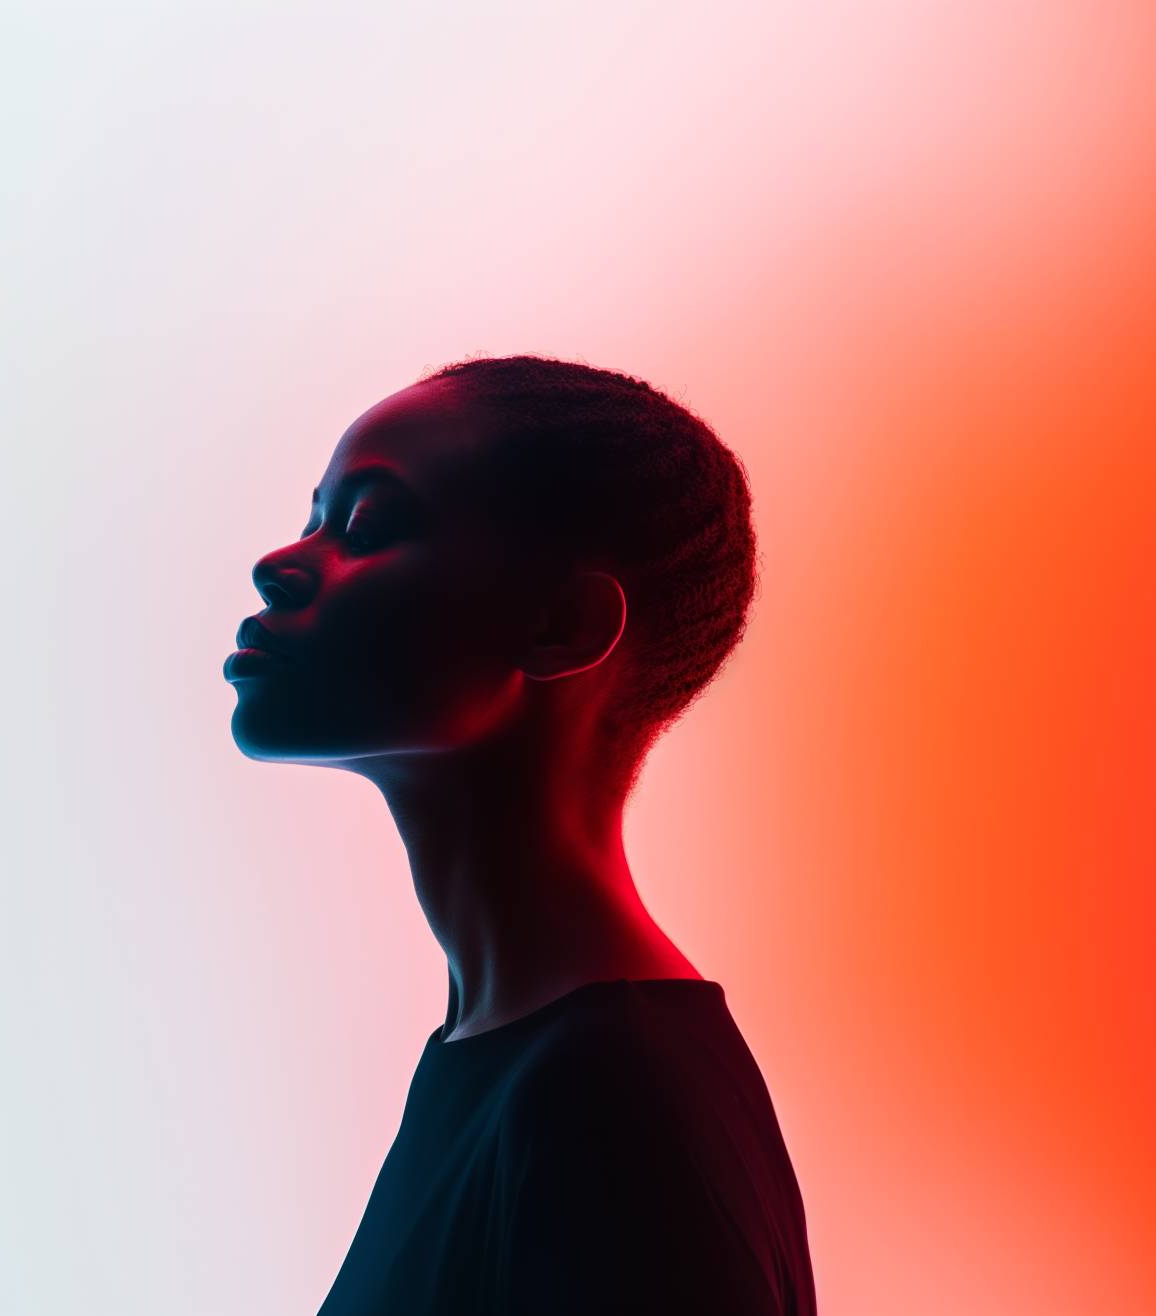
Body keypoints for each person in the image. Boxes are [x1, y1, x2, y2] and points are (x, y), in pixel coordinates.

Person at [224, 355, 815, 1315]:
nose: (279, 565)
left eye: (366, 525)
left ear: (562, 625)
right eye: (313, 518)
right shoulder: (498, 1060)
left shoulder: (614, 1103)